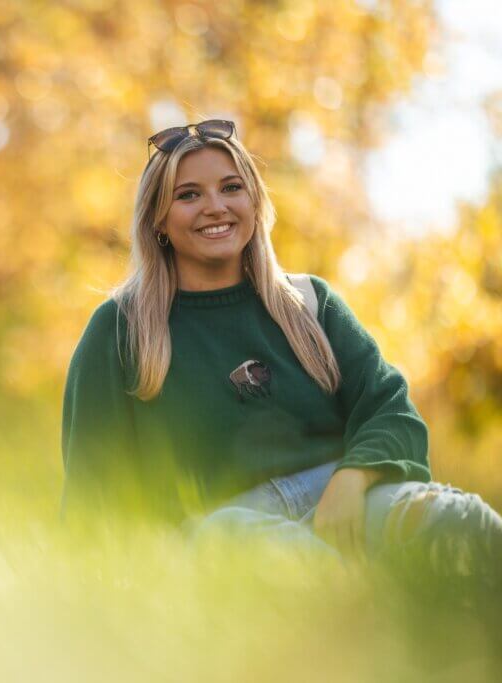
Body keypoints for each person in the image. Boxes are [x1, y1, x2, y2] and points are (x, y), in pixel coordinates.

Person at [60, 119, 502, 602]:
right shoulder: (120, 329)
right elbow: (93, 490)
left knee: (462, 525)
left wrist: (353, 480)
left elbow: (390, 410)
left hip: (340, 502)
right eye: (189, 195)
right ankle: (371, 630)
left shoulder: (308, 303)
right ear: (158, 220)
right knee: (268, 555)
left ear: (254, 202)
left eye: (232, 188)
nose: (215, 206)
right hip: (219, 535)